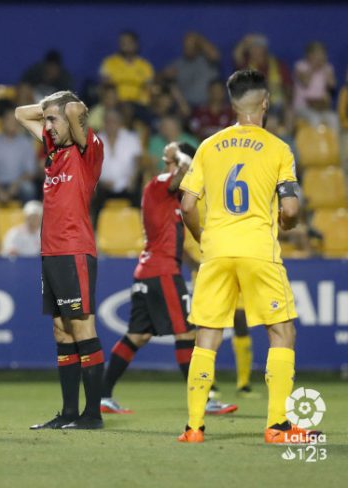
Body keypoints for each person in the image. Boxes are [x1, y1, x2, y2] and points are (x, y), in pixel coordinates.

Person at [178, 70, 317, 444]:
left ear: (233, 104)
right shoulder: (277, 148)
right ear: (266, 103)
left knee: (207, 335)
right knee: (281, 331)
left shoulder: (208, 145)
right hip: (257, 248)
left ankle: (193, 428)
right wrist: (290, 223)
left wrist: (202, 237)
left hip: (217, 250)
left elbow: (187, 203)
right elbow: (289, 208)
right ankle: (278, 425)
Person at [99, 142, 236, 416]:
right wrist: (182, 157)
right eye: (168, 158)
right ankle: (204, 400)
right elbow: (183, 172)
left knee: (137, 336)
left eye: (169, 157)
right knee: (186, 333)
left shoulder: (171, 197)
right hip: (162, 273)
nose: (166, 161)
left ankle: (101, 397)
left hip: (148, 272)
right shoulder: (163, 183)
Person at [16, 91, 106, 430]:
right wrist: (48, 111)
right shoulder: (54, 150)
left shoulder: (88, 151)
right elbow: (19, 114)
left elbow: (72, 107)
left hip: (74, 250)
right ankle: (69, 413)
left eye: (53, 121)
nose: (47, 126)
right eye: (47, 121)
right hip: (51, 252)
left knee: (83, 328)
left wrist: (61, 109)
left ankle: (93, 414)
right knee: (61, 331)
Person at [0, 104, 39, 204]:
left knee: (28, 189)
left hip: (18, 184)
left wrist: (15, 186)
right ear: (3, 122)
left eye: (15, 120)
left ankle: (30, 219)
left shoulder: (26, 143)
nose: (13, 123)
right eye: (9, 120)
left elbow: (30, 172)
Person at [163, 32, 220, 108]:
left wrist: (199, 40)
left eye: (191, 46)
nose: (188, 48)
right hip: (187, 108)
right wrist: (165, 75)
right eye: (186, 46)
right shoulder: (178, 64)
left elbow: (215, 55)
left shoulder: (208, 60)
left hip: (208, 107)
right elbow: (161, 76)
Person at [99, 32, 154, 107]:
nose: (125, 45)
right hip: (116, 104)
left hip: (139, 106)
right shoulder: (109, 63)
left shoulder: (145, 66)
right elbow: (104, 87)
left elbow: (149, 89)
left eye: (129, 42)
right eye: (122, 42)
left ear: (136, 44)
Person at [293, 42, 338, 131]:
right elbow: (305, 83)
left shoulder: (327, 68)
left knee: (334, 119)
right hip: (303, 107)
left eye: (323, 54)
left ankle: (333, 144)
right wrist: (313, 67)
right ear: (310, 55)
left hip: (321, 107)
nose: (321, 57)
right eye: (318, 54)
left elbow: (332, 86)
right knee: (315, 119)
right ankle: (315, 144)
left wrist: (326, 71)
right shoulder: (300, 66)